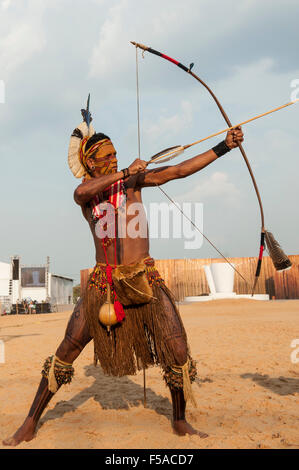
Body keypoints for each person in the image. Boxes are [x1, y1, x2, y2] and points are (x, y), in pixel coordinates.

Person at [3, 107, 243, 446]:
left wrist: (224, 146)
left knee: (176, 348)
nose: (115, 160)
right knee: (68, 348)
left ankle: (179, 419)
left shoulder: (133, 182)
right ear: (91, 163)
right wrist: (126, 171)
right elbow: (82, 193)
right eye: (107, 156)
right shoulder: (86, 193)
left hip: (143, 277)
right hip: (104, 283)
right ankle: (29, 422)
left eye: (116, 154)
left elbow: (176, 170)